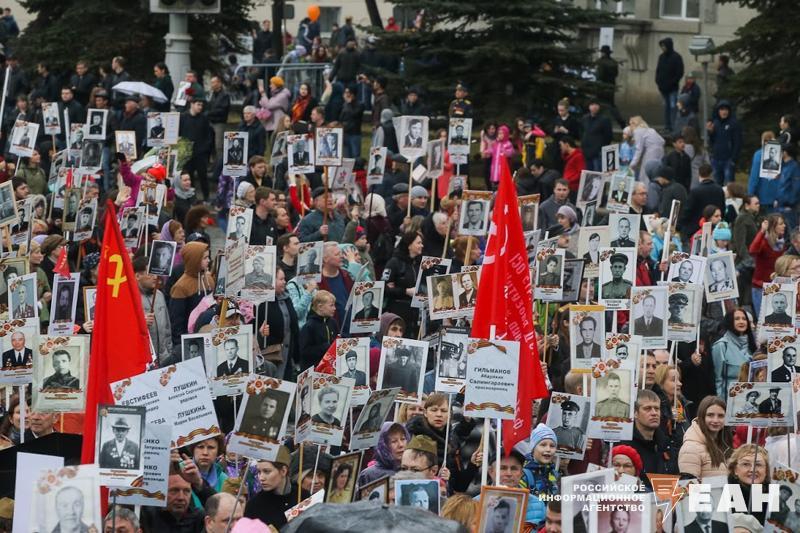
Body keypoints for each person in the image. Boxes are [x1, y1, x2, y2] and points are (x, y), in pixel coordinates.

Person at [678, 396, 732, 481]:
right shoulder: (691, 448)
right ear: (702, 416)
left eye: (721, 416)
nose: (715, 420)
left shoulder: (723, 445)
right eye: (710, 415)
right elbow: (688, 486)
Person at [655, 37, 684, 132]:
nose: (663, 48)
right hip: (663, 88)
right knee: (666, 107)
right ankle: (667, 126)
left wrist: (672, 83)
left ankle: (674, 127)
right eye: (662, 46)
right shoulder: (661, 57)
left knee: (673, 107)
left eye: (664, 46)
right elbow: (658, 71)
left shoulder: (676, 57)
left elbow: (679, 72)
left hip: (672, 88)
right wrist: (658, 82)